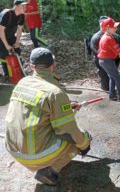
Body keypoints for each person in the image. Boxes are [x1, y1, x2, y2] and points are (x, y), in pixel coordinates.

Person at [5, 47, 91, 185]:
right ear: (54, 65)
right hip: (34, 155)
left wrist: (67, 107)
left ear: (32, 66)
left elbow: (36, 109)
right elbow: (68, 130)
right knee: (80, 138)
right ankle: (49, 171)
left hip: (13, 149)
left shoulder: (22, 82)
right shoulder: (55, 93)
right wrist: (85, 144)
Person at [90, 16, 120, 94]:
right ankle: (116, 94)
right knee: (106, 87)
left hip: (115, 60)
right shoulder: (95, 38)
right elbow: (99, 54)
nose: (115, 28)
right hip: (104, 64)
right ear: (102, 25)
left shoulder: (116, 36)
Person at [0, 0, 26, 80]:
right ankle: (8, 75)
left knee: (17, 51)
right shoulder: (7, 14)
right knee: (4, 54)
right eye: (23, 6)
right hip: (1, 35)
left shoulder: (22, 15)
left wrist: (17, 42)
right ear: (16, 6)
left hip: (10, 35)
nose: (25, 7)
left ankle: (19, 71)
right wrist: (7, 45)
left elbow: (19, 29)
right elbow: (1, 31)